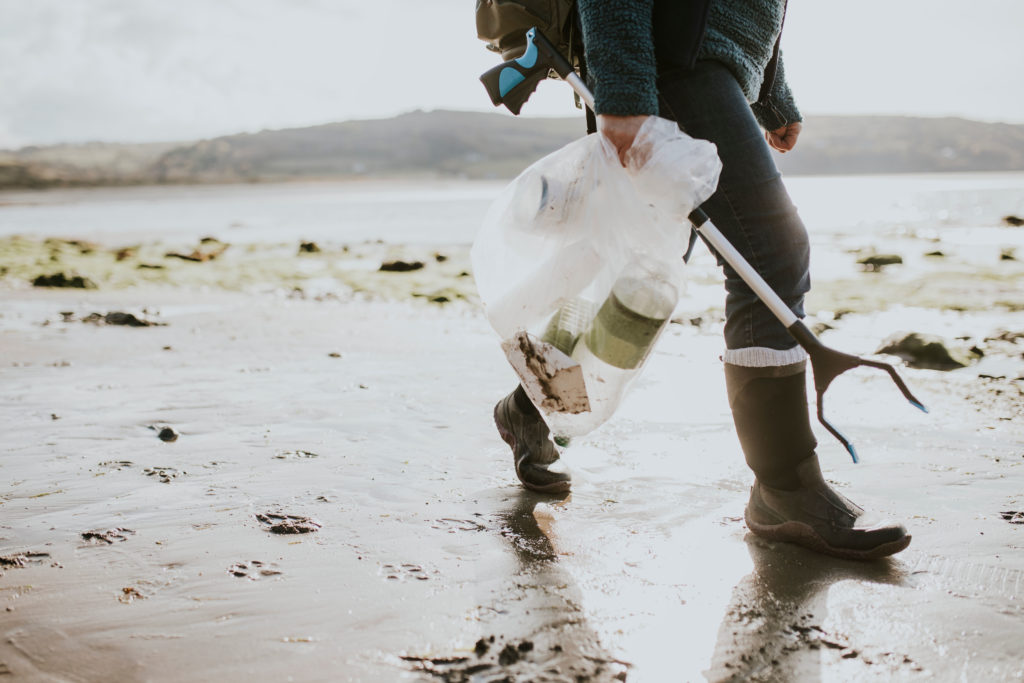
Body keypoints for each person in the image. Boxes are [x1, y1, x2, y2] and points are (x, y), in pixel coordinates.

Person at [493, 0, 912, 561]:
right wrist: (623, 95)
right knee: (772, 253)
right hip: (669, 63)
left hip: (702, 65)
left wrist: (769, 91)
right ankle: (785, 486)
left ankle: (531, 406)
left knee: (637, 274)